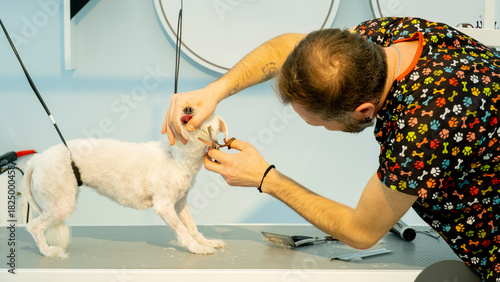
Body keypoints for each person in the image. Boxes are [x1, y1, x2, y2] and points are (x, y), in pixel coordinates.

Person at [162, 17, 500, 281]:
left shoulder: (424, 127)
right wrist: (215, 91)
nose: (319, 129)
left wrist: (266, 178)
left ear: (364, 111)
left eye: (319, 123)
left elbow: (361, 231)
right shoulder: (385, 39)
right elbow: (292, 49)